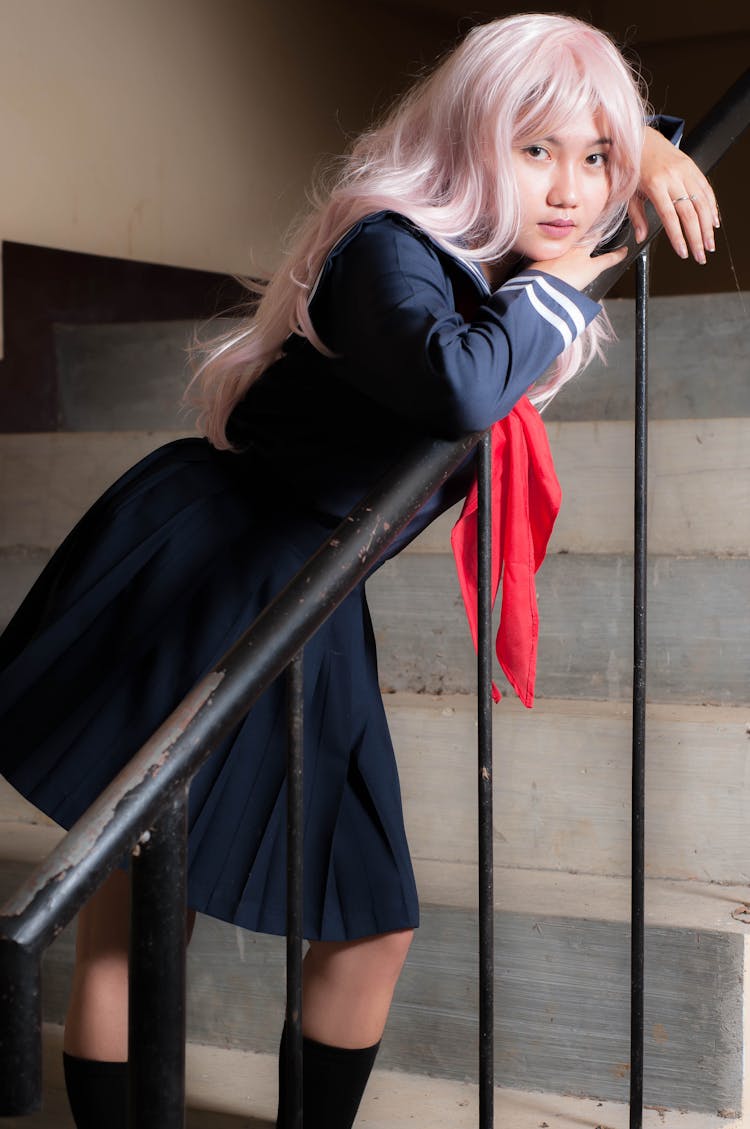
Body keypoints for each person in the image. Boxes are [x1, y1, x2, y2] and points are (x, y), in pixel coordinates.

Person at [0, 12, 718, 1129]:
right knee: (146, 894)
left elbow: (567, 238)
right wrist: (570, 269)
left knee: (369, 921)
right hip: (221, 555)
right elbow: (459, 388)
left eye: (596, 158)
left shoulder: (507, 260)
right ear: (474, 141)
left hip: (315, 586)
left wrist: (660, 149)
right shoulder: (384, 246)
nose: (572, 190)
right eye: (536, 151)